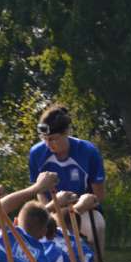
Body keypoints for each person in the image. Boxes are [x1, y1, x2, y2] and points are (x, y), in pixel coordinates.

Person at [27, 103, 107, 251]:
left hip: (84, 211)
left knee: (98, 224)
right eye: (44, 138)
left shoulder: (88, 152)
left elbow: (99, 196)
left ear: (66, 133)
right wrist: (53, 209)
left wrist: (77, 208)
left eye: (53, 139)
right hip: (51, 212)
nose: (48, 144)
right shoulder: (36, 153)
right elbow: (39, 192)